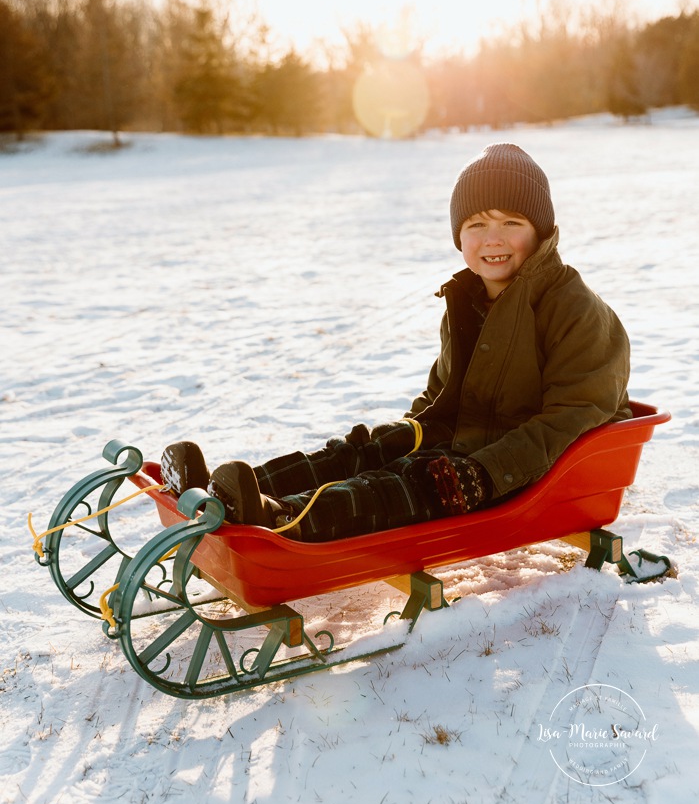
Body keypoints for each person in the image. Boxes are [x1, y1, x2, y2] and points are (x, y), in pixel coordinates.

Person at [161, 143, 631, 542]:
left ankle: (283, 519)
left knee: (407, 485)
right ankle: (232, 490)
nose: (493, 239)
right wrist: (408, 433)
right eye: (476, 225)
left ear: (541, 229)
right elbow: (445, 393)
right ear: (458, 236)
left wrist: (488, 471)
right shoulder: (469, 299)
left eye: (511, 223)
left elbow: (572, 417)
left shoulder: (574, 308)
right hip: (465, 441)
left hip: (526, 472)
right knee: (364, 451)